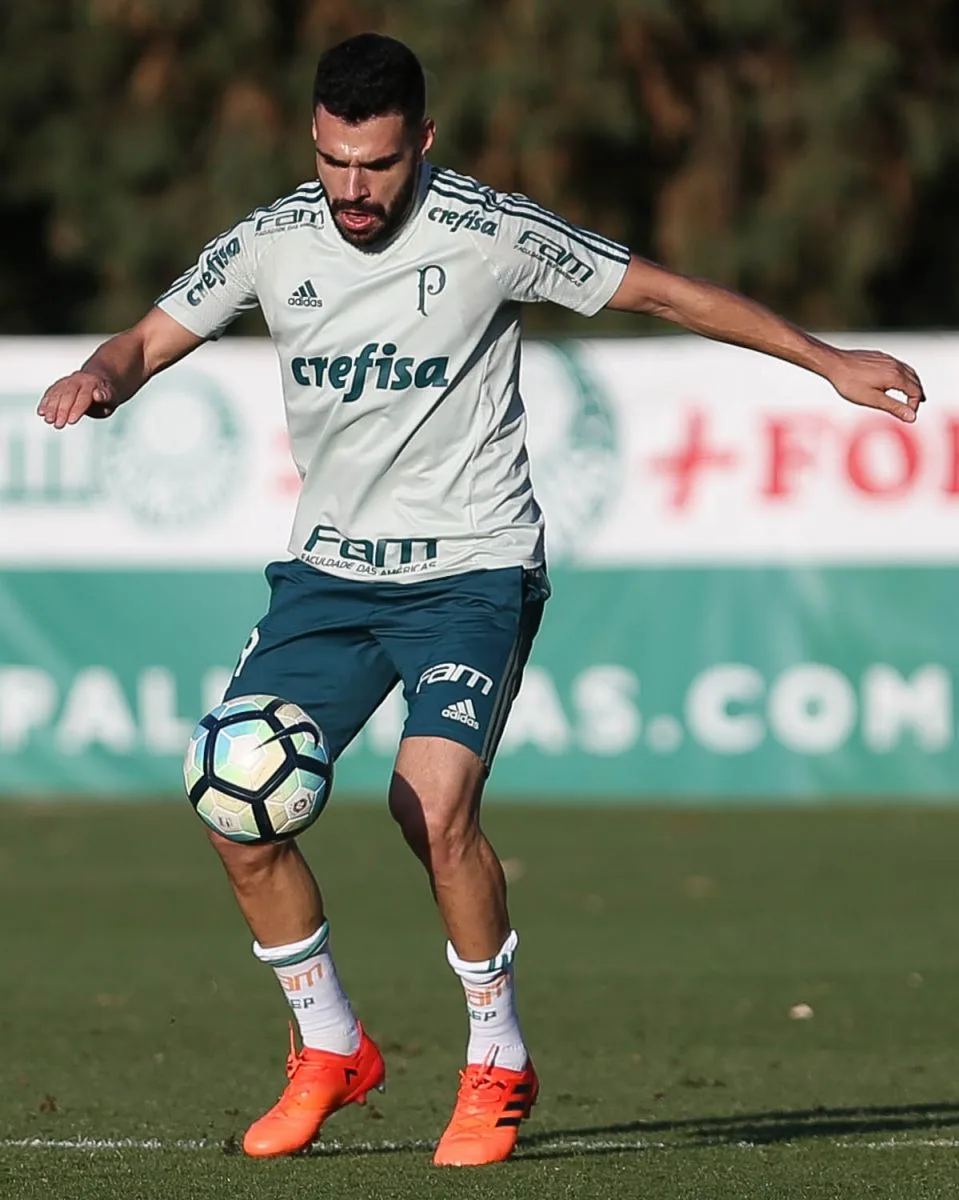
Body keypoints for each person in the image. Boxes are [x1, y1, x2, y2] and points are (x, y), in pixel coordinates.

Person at [37, 32, 925, 1168]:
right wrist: (103, 376)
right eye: (333, 162)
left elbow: (662, 291)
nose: (353, 190)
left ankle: (496, 1058)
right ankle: (329, 1047)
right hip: (327, 575)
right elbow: (152, 334)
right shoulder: (272, 240)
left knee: (429, 810)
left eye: (378, 164)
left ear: (423, 146)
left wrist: (825, 361)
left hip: (471, 569)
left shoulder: (489, 233)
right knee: (231, 801)